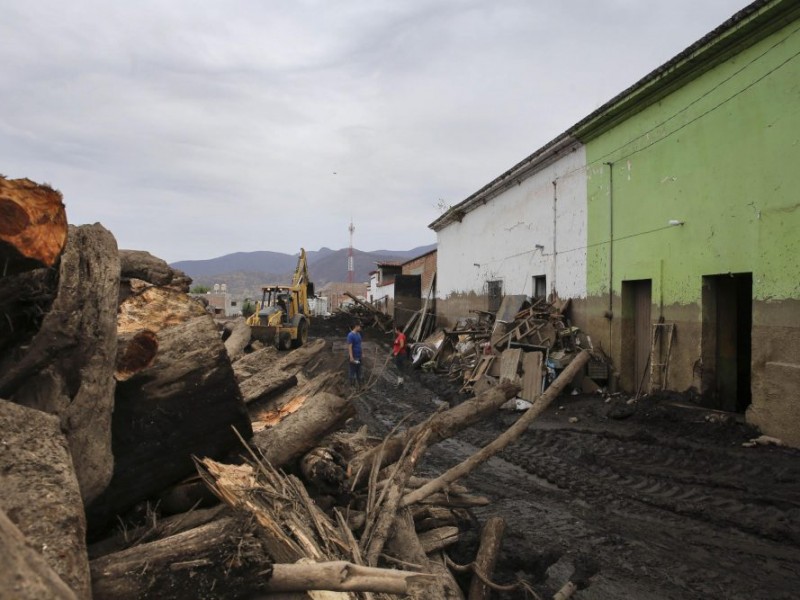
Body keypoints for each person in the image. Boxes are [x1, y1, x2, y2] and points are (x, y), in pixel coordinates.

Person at [347, 322, 363, 389]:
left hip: (359, 356)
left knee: (359, 370)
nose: (361, 328)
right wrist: (351, 357)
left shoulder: (358, 334)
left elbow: (359, 345)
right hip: (354, 356)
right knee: (352, 370)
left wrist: (362, 354)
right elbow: (350, 346)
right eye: (360, 326)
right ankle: (351, 385)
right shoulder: (350, 335)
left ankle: (360, 385)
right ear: (356, 326)